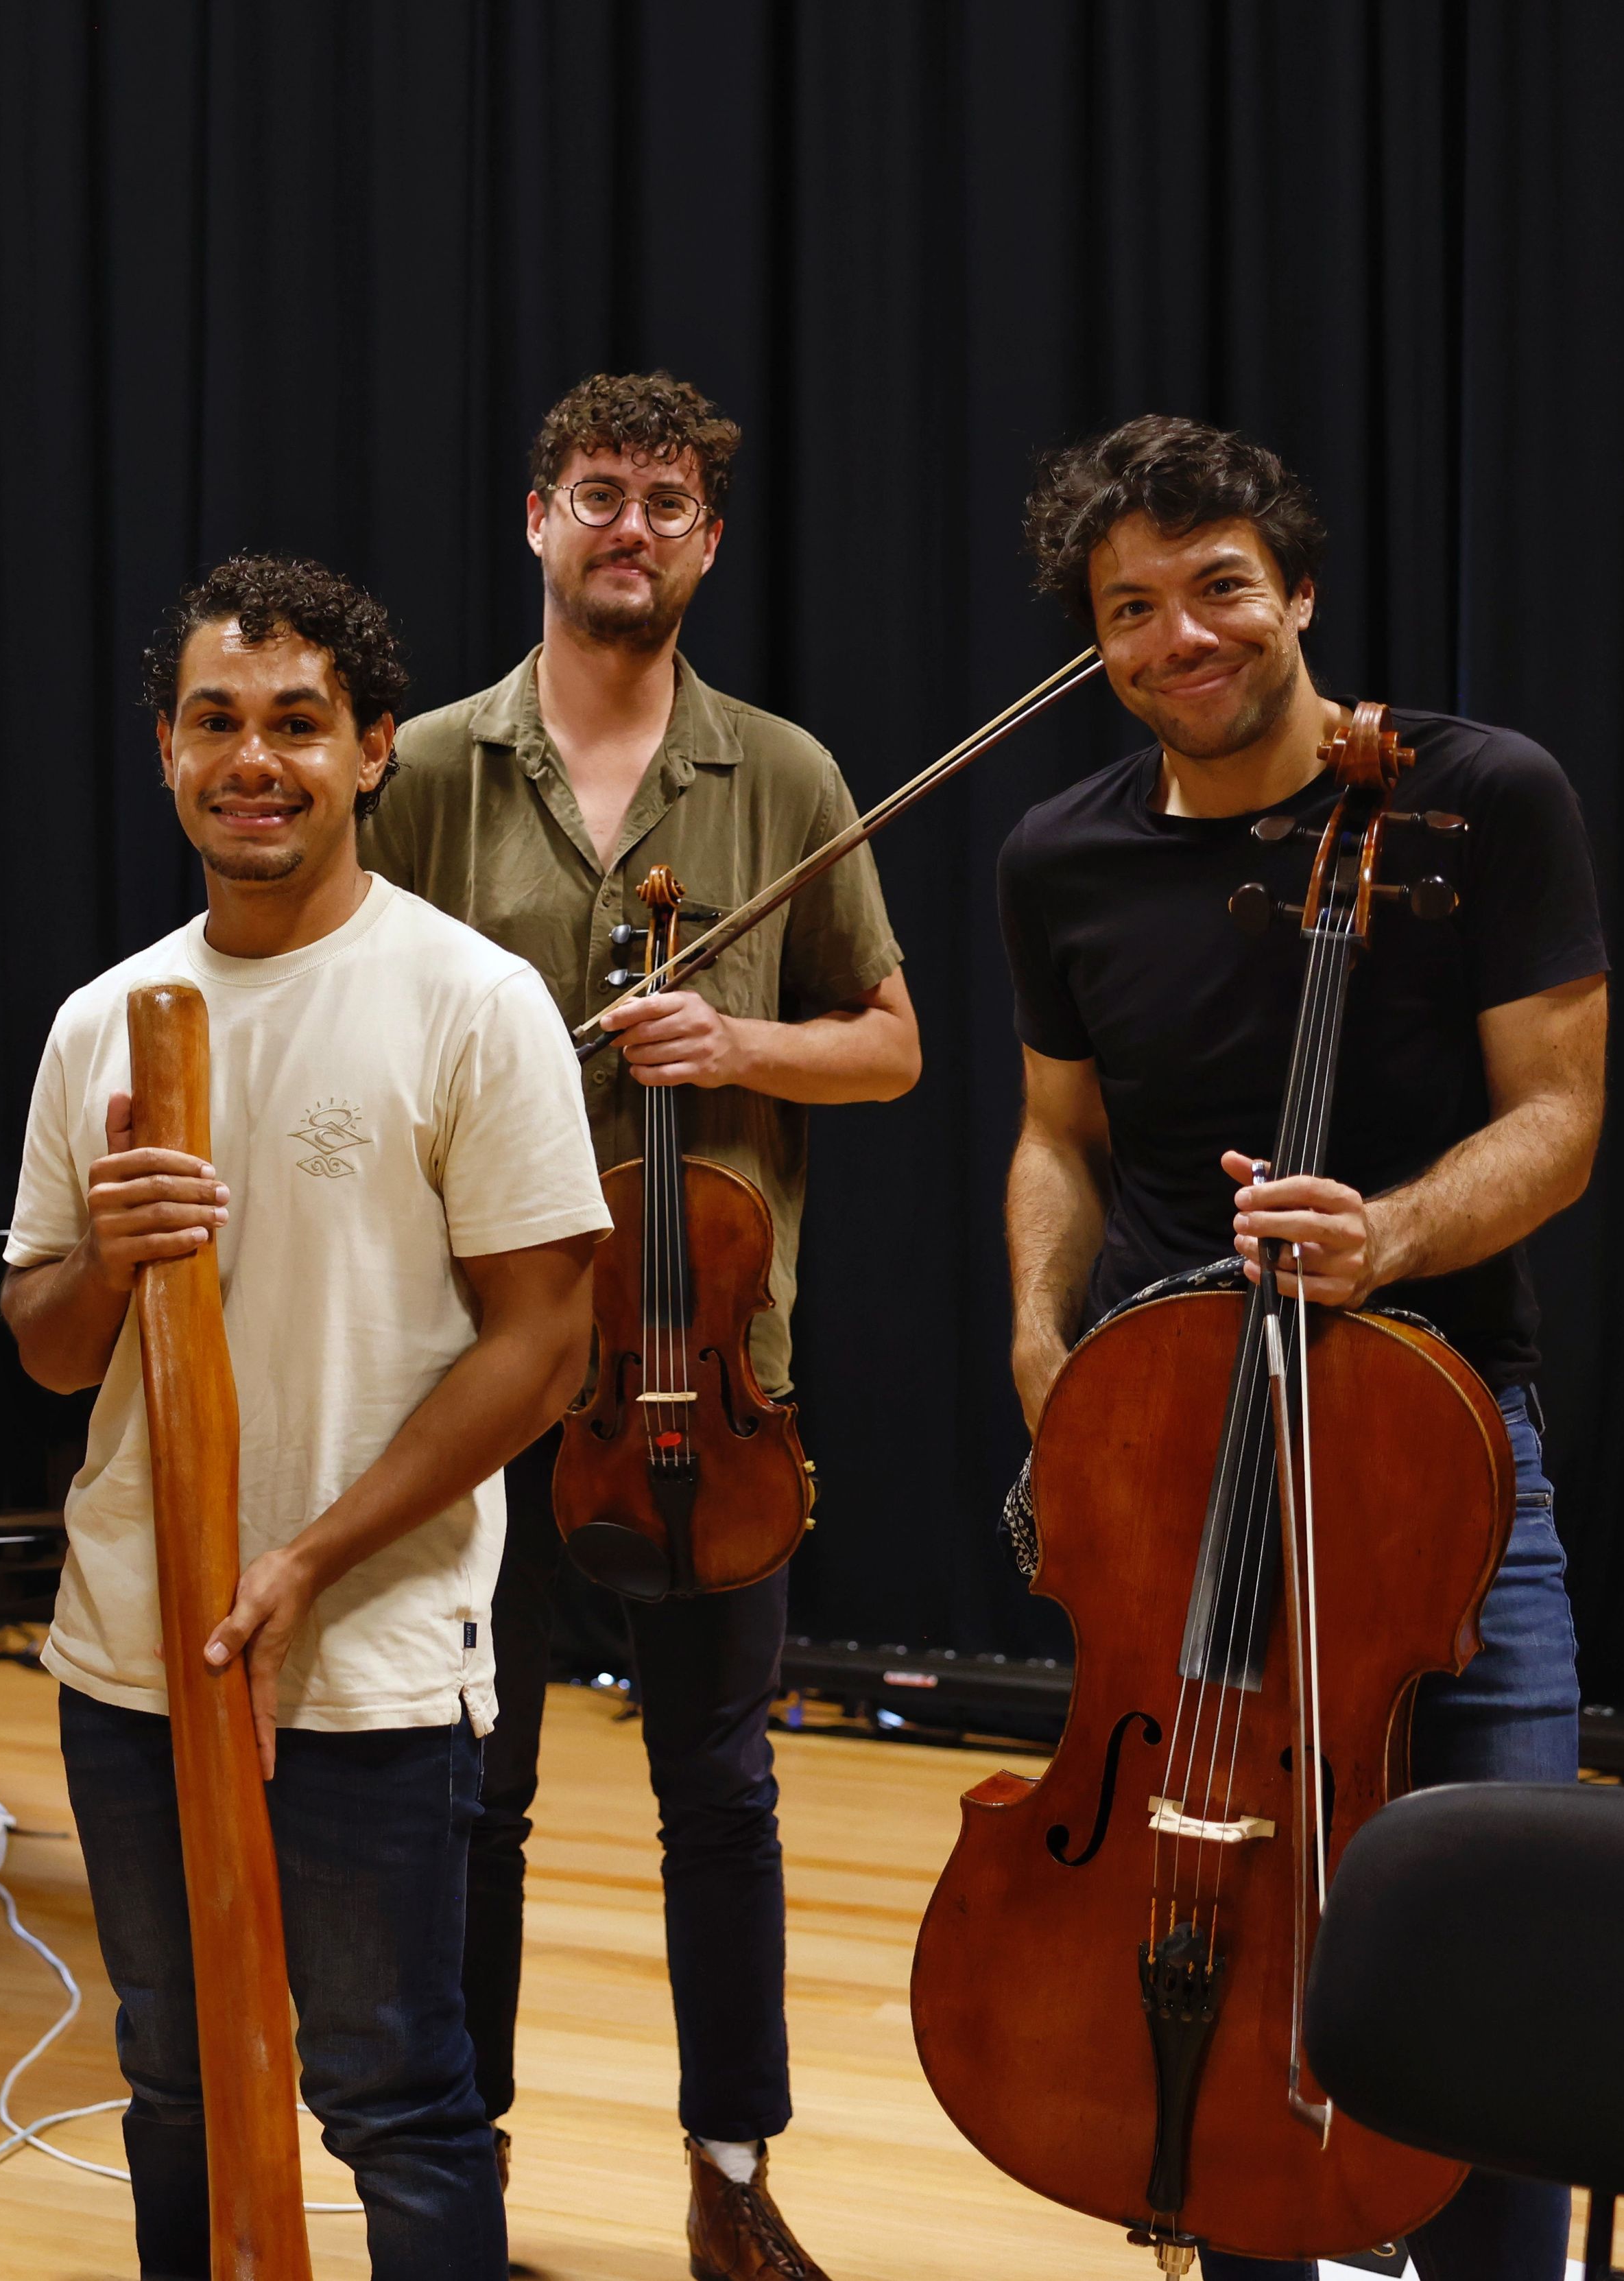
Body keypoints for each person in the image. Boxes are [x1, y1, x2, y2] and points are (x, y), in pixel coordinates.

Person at [999, 414, 1607, 2281]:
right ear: (1093, 641)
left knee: (1489, 1957)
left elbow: (1559, 1115)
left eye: (1216, 587)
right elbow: (1057, 1134)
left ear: (1298, 593)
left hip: (1438, 1458)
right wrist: (1038, 1336)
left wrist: (1384, 1236)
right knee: (1203, 1898)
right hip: (1175, 1452)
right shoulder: (1057, 855)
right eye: (1128, 608)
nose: (1175, 635)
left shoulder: (1480, 797)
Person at [361, 370, 915, 2280]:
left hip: (705, 1379)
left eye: (665, 502)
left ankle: (730, 2169)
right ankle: (462, 2175)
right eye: (596, 492)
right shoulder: (425, 769)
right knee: (476, 1790)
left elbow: (891, 1045)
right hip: (480, 1371)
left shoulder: (784, 774)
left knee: (722, 1795)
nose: (629, 527)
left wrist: (735, 1040)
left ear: (708, 541)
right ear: (535, 519)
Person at [1, 554, 608, 2281]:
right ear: (167, 751)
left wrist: (309, 1562)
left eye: (296, 723)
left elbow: (542, 1348)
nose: (252, 760)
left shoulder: (470, 1000)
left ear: (372, 748)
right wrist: (108, 1258)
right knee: (175, 2079)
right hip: (134, 1646)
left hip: (369, 1652)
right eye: (215, 721)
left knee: (392, 2095)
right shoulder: (100, 1022)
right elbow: (45, 1350)